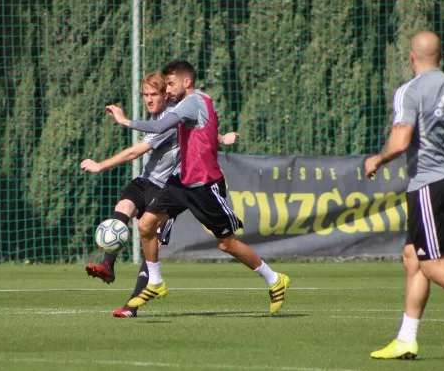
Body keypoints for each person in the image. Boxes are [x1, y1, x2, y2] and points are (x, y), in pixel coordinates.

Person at [106, 60, 291, 315]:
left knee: (226, 244)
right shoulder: (188, 104)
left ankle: (274, 279)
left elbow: (160, 126)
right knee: (146, 224)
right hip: (181, 182)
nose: (166, 89)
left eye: (170, 84)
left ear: (187, 82)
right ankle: (156, 281)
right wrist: (221, 137)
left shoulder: (194, 101)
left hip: (204, 185)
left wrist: (125, 120)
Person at [82, 71, 239, 317]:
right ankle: (108, 265)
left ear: (166, 95)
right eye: (145, 94)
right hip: (145, 180)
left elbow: (135, 151)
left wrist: (101, 165)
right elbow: (201, 128)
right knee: (122, 209)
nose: (148, 99)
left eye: (154, 94)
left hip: (167, 189)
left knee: (150, 242)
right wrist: (222, 137)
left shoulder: (169, 119)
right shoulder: (176, 115)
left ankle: (132, 306)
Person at [367, 31, 444, 360]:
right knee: (413, 257)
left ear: (411, 58)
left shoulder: (410, 91)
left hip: (429, 184)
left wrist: (377, 158)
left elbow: (400, 143)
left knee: (431, 264)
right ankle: (406, 339)